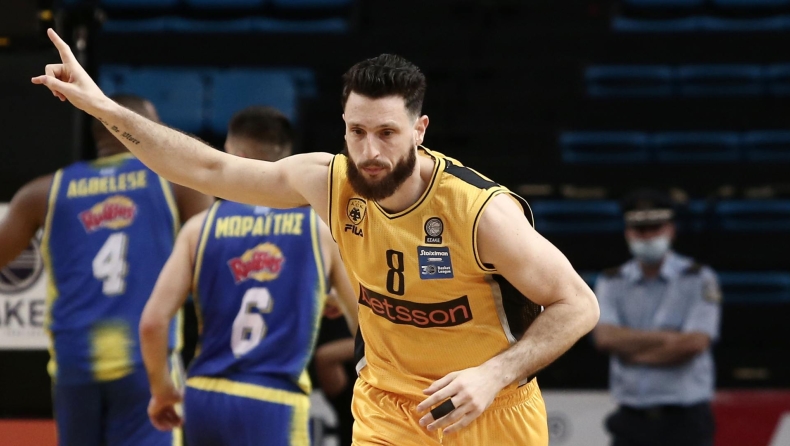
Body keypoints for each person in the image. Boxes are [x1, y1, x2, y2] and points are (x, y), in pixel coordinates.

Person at [32, 29, 600, 445]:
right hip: (387, 409)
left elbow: (578, 304)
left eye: (387, 133)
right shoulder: (330, 183)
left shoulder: (481, 214)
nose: (370, 151)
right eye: (357, 131)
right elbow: (205, 168)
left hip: (490, 410)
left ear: (420, 130)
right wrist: (103, 108)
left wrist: (494, 373)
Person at [139, 106, 359, 446]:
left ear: (236, 157)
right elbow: (364, 323)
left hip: (204, 397)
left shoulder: (200, 227)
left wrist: (162, 390)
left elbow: (153, 322)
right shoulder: (321, 228)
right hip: (275, 399)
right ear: (287, 158)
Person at [0, 94, 211, 446]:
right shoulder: (174, 182)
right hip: (145, 361)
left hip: (75, 361)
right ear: (144, 128)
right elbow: (215, 253)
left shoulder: (43, 192)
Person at [593, 189, 721, 446]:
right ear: (628, 233)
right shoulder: (611, 281)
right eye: (640, 229)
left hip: (686, 420)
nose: (648, 236)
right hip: (631, 419)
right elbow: (605, 338)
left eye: (655, 228)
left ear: (671, 230)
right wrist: (669, 339)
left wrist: (634, 354)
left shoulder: (698, 278)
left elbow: (695, 343)